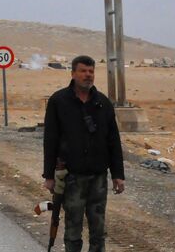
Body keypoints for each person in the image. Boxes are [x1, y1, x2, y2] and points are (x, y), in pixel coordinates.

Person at [43, 55, 125, 252]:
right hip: (71, 177)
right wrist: (49, 176)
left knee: (98, 229)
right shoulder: (58, 101)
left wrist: (118, 175)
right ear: (73, 73)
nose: (88, 75)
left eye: (91, 71)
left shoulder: (103, 103)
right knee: (73, 228)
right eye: (83, 71)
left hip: (98, 177)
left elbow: (113, 141)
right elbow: (50, 140)